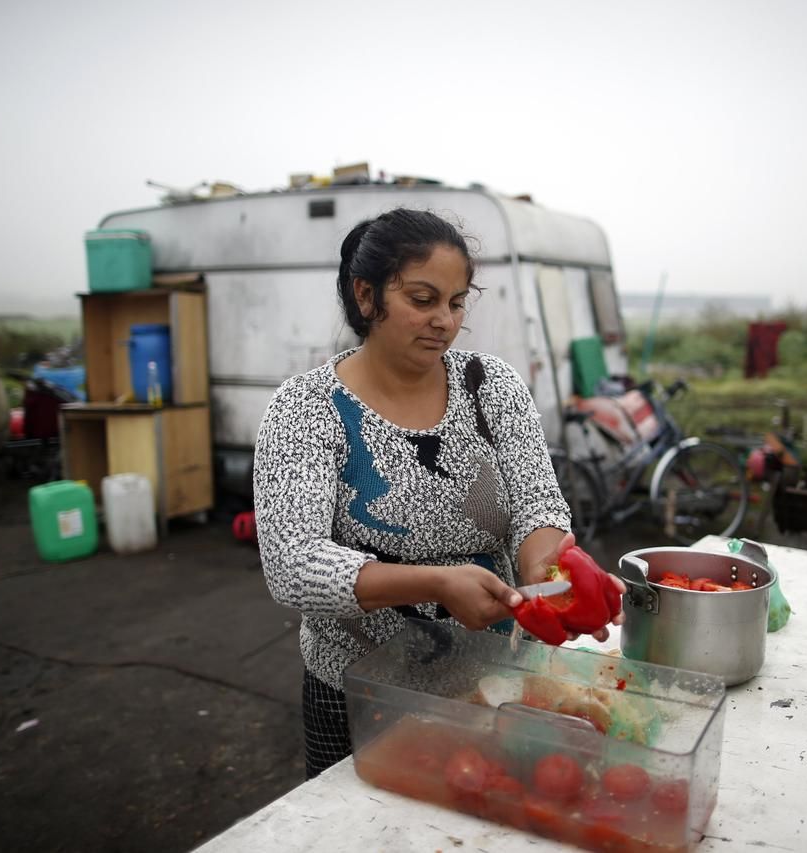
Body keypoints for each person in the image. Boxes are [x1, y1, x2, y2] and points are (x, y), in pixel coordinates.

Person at [253, 208, 622, 778]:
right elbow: (293, 564)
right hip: (359, 690)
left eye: (455, 302)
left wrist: (553, 575)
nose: (444, 322)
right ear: (366, 295)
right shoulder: (306, 409)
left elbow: (535, 505)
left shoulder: (490, 386)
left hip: (495, 682)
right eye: (422, 300)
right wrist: (436, 583)